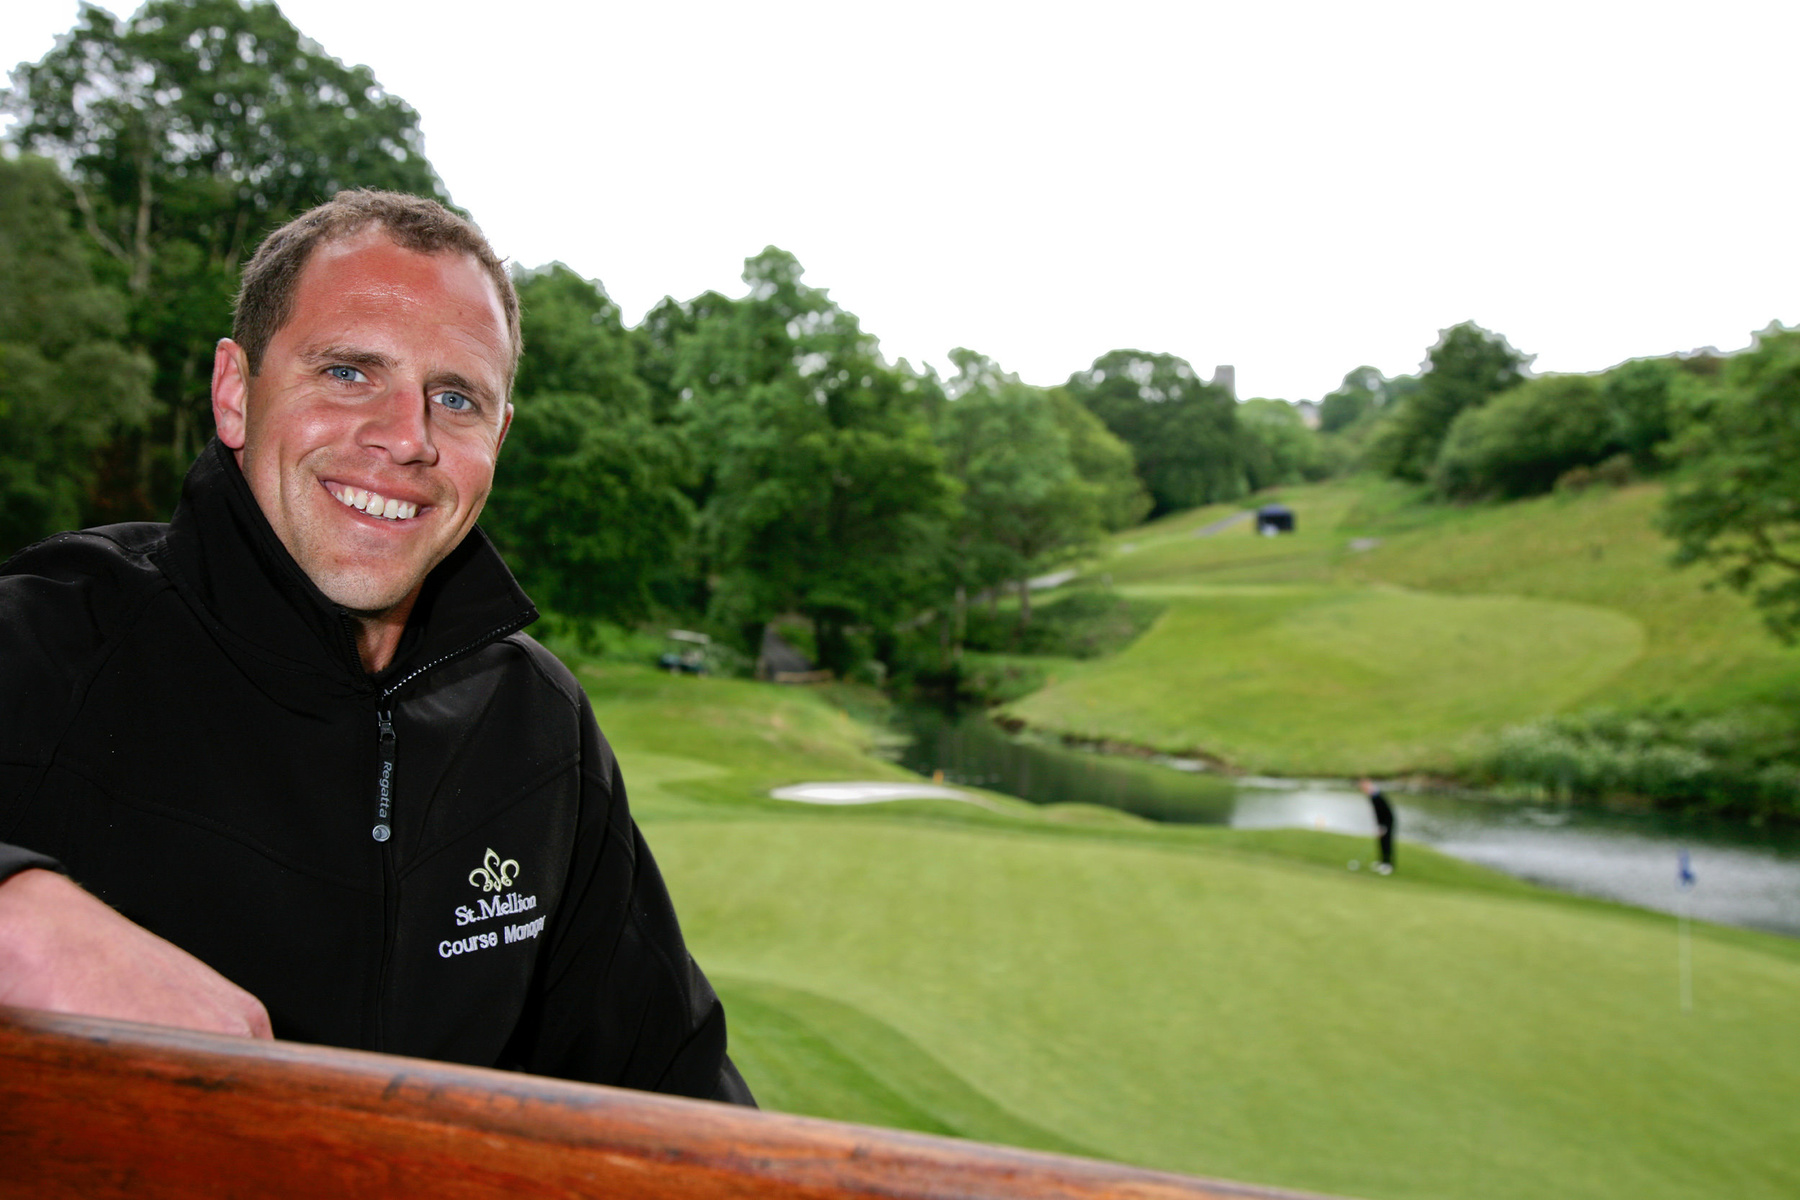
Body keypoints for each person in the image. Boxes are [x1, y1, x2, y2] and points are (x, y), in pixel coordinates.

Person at [0, 191, 752, 1104]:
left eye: (454, 397)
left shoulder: (537, 730)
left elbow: (675, 1087)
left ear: (499, 436)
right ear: (236, 393)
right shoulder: (51, 640)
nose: (407, 439)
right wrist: (19, 917)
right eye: (350, 372)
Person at [1360, 778, 1396, 874]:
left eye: (1364, 786)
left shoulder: (1377, 795)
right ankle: (1382, 862)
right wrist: (1378, 826)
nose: (1363, 789)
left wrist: (1383, 826)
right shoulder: (1372, 795)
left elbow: (1385, 812)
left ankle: (1388, 865)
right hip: (1382, 822)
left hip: (1388, 821)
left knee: (1386, 842)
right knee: (1381, 841)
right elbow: (1377, 813)